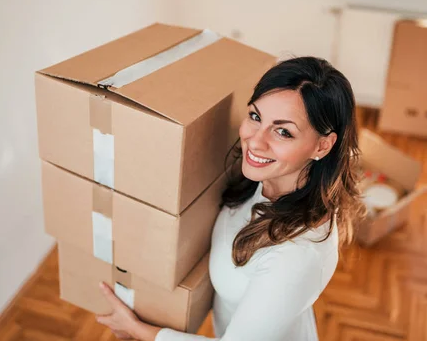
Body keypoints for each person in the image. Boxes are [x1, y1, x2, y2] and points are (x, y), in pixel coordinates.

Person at [96, 56, 365, 341]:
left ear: (322, 145)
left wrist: (138, 330)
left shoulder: (297, 256)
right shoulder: (263, 178)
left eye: (283, 131)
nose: (255, 141)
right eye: (255, 116)